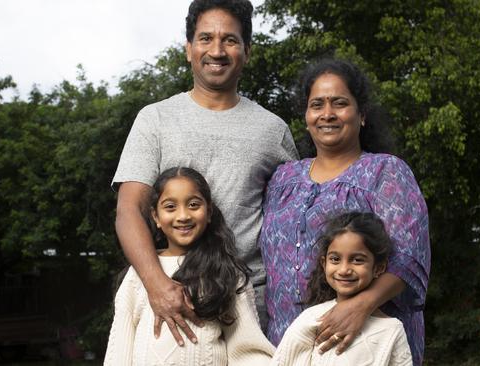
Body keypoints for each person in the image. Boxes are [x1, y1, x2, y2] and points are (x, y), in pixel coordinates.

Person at [112, 0, 298, 347]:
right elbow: (128, 211)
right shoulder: (155, 120)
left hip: (251, 309)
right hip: (174, 303)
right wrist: (157, 286)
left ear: (247, 51)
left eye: (230, 39)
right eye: (206, 38)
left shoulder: (273, 130)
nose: (217, 50)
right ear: (188, 49)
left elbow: (292, 223)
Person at [259, 58, 430, 365]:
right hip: (290, 345)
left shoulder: (385, 172)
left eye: (339, 103)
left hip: (363, 344)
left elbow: (409, 260)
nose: (327, 114)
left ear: (361, 114)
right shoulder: (283, 178)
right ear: (307, 115)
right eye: (317, 104)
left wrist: (359, 306)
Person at [105, 167, 275, 365]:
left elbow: (248, 351)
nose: (183, 215)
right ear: (156, 217)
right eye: (170, 207)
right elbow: (119, 351)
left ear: (209, 212)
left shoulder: (226, 272)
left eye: (193, 205)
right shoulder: (138, 275)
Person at [271, 212, 413, 366]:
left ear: (379, 268)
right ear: (324, 263)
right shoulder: (311, 319)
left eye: (357, 260)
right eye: (335, 259)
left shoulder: (392, 331)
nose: (344, 269)